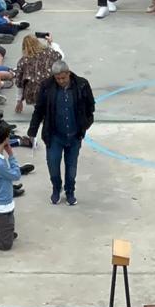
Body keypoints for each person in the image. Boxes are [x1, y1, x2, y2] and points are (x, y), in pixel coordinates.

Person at [27, 63, 95, 206]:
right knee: (53, 165)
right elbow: (39, 110)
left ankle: (70, 191)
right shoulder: (46, 86)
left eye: (63, 78)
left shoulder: (82, 84)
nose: (61, 81)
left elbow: (90, 106)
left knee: (71, 168)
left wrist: (85, 124)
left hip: (75, 135)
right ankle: (56, 189)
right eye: (57, 78)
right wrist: (32, 131)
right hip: (54, 136)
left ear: (68, 73)